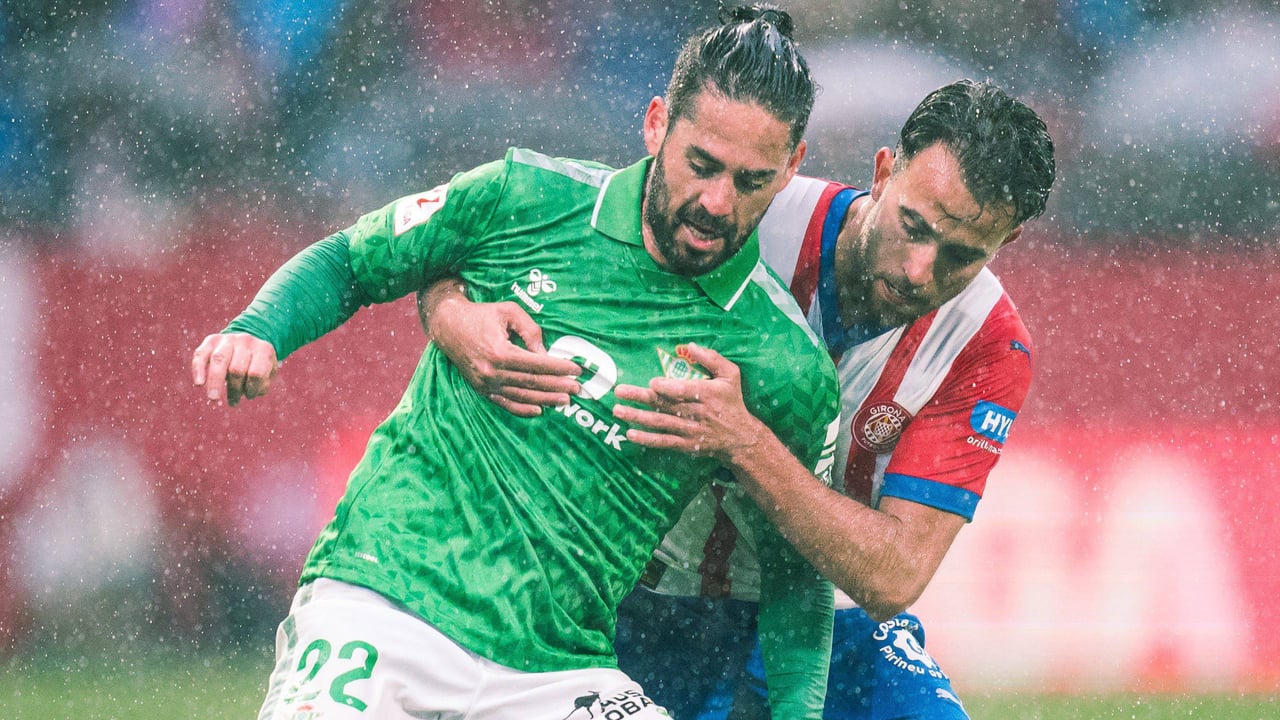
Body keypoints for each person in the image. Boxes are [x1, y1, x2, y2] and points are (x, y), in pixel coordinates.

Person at [190, 5, 842, 719]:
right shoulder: (526, 196)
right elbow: (353, 261)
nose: (717, 201)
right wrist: (260, 331)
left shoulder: (784, 363)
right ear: (656, 124)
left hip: (559, 671)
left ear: (792, 168)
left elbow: (797, 578)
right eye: (702, 165)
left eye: (751, 180)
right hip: (383, 600)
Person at [419, 78, 1056, 719]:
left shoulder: (988, 346)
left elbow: (893, 577)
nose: (919, 269)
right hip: (631, 590)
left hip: (823, 617)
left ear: (1006, 243)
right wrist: (449, 314)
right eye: (912, 225)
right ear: (884, 172)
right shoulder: (751, 206)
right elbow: (498, 239)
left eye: (960, 255)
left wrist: (746, 443)